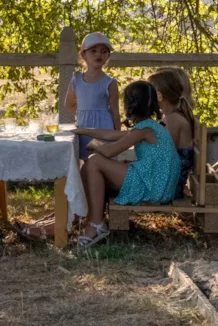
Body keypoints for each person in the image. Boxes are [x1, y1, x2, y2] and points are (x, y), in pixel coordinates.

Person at [73, 81, 181, 248]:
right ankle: (90, 219)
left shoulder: (144, 129)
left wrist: (94, 143)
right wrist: (82, 131)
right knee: (88, 166)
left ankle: (96, 224)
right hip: (156, 183)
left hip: (153, 188)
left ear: (129, 104)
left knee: (94, 161)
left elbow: (109, 151)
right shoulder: (149, 126)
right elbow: (111, 135)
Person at [65, 32, 121, 160]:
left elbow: (115, 112)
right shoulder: (76, 80)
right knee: (85, 162)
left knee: (104, 162)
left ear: (108, 55)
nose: (98, 55)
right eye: (93, 51)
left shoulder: (110, 82)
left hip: (104, 130)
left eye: (104, 51)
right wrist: (84, 113)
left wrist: (118, 138)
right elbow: (68, 105)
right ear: (84, 54)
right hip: (84, 128)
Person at [147, 68, 196, 199]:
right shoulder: (169, 117)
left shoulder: (173, 119)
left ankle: (96, 218)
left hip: (166, 187)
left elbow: (165, 157)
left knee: (98, 164)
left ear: (159, 96)